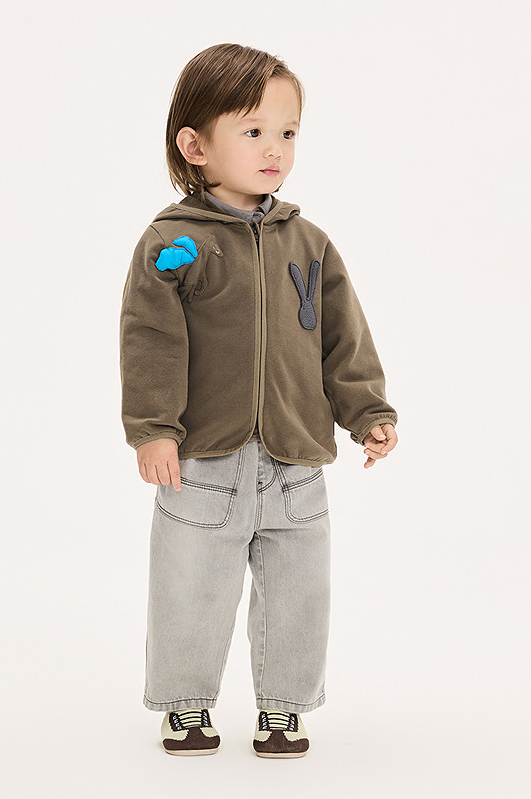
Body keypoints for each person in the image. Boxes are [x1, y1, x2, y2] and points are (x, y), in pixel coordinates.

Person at [119, 43, 399, 758]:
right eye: (253, 131)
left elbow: (343, 338)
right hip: (202, 462)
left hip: (296, 459)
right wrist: (153, 428)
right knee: (190, 586)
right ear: (195, 146)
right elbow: (150, 339)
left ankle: (283, 708)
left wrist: (368, 412)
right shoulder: (173, 242)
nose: (275, 148)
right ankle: (185, 705)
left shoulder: (310, 244)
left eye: (288, 131)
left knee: (300, 592)